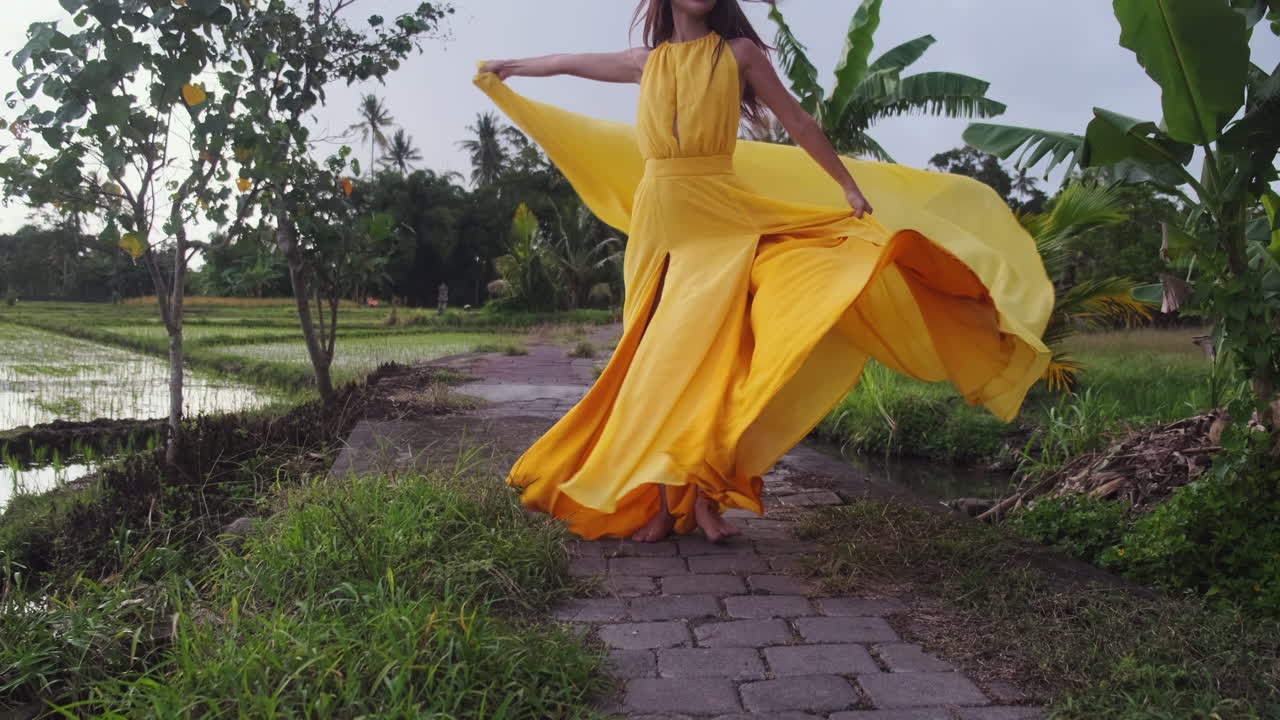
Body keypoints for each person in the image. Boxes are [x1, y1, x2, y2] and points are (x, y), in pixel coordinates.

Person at [476, 0, 1053, 543]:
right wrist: (510, 67)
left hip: (720, 215)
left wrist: (846, 184)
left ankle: (700, 496)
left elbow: (798, 121)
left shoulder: (739, 54)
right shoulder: (643, 61)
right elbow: (566, 63)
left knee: (709, 359)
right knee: (650, 358)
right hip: (660, 221)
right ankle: (656, 502)